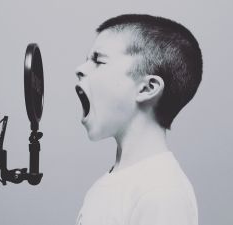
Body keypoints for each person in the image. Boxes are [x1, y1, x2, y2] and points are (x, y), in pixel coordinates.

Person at [74, 14, 202, 225]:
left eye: (98, 60)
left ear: (147, 88)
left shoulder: (162, 193)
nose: (80, 69)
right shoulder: (110, 184)